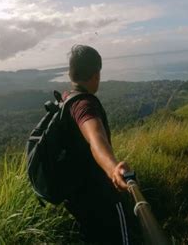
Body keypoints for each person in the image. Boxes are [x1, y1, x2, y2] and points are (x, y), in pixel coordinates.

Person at [62, 44, 133, 245]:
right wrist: (113, 170)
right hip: (99, 195)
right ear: (96, 75)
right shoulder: (85, 105)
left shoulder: (67, 98)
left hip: (76, 196)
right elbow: (96, 139)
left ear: (71, 73)